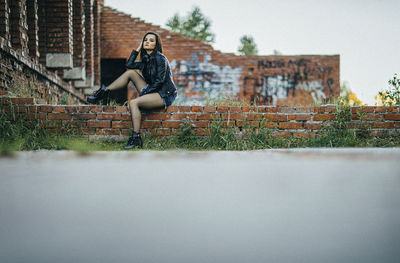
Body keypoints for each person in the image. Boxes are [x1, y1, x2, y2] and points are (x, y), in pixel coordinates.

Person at [87, 32, 177, 149]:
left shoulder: (160, 58)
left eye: (151, 40)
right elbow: (129, 65)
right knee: (130, 73)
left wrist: (145, 92)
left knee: (134, 102)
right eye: (145, 40)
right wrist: (138, 49)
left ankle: (136, 138)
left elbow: (160, 81)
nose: (147, 42)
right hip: (152, 90)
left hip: (164, 94)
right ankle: (103, 92)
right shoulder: (145, 59)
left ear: (156, 44)